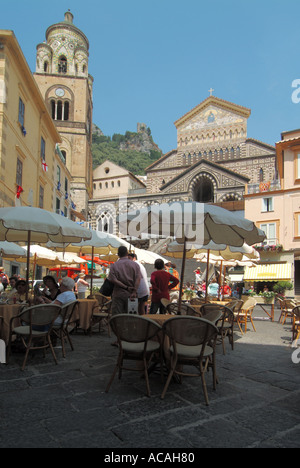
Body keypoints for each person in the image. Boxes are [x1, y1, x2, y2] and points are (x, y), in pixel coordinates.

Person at [108, 246, 141, 315]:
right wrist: (134, 291)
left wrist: (125, 287)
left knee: (117, 318)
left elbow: (113, 279)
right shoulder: (135, 265)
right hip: (132, 295)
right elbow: (138, 279)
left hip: (118, 294)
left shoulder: (114, 265)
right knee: (131, 317)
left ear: (118, 254)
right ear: (127, 253)